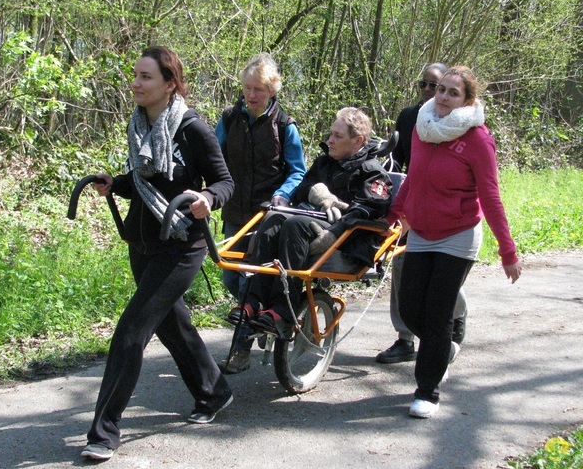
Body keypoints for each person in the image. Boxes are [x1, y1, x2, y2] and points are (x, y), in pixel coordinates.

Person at [80, 46, 235, 461]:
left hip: (183, 246)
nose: (136, 83)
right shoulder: (138, 124)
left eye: (146, 77)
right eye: (135, 75)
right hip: (144, 243)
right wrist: (117, 184)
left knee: (132, 330)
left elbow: (224, 182)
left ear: (170, 84)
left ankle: (103, 430)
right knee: (172, 325)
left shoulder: (192, 129)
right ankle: (213, 391)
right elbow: (149, 178)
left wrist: (206, 198)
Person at [384, 66, 522, 419]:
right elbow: (414, 178)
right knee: (411, 307)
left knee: (437, 312)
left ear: (468, 100)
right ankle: (442, 345)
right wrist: (394, 215)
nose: (442, 97)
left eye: (452, 92)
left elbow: (490, 196)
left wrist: (508, 251)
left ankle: (427, 391)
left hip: (458, 233)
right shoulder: (422, 127)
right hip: (422, 232)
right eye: (439, 89)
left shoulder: (477, 139)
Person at [223, 107, 393, 351]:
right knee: (273, 218)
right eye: (330, 134)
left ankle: (283, 310)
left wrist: (334, 232)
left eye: (337, 136)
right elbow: (301, 189)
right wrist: (318, 193)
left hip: (347, 244)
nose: (329, 140)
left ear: (358, 141)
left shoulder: (372, 172)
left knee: (295, 224)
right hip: (312, 230)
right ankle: (254, 302)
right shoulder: (324, 162)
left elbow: (371, 210)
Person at [214, 53, 306, 374]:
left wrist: (282, 195)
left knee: (247, 282)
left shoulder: (285, 126)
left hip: (268, 221)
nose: (251, 95)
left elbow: (298, 172)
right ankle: (260, 316)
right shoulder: (228, 119)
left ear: (272, 91)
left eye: (259, 90)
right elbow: (212, 158)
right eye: (248, 88)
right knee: (230, 276)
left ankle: (240, 351)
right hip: (236, 214)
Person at [377, 63, 469, 364]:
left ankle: (454, 316)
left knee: (440, 283)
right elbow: (399, 167)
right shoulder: (409, 118)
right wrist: (394, 209)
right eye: (425, 85)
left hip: (451, 218)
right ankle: (405, 338)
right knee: (402, 268)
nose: (430, 91)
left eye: (436, 86)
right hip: (413, 204)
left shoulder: (463, 125)